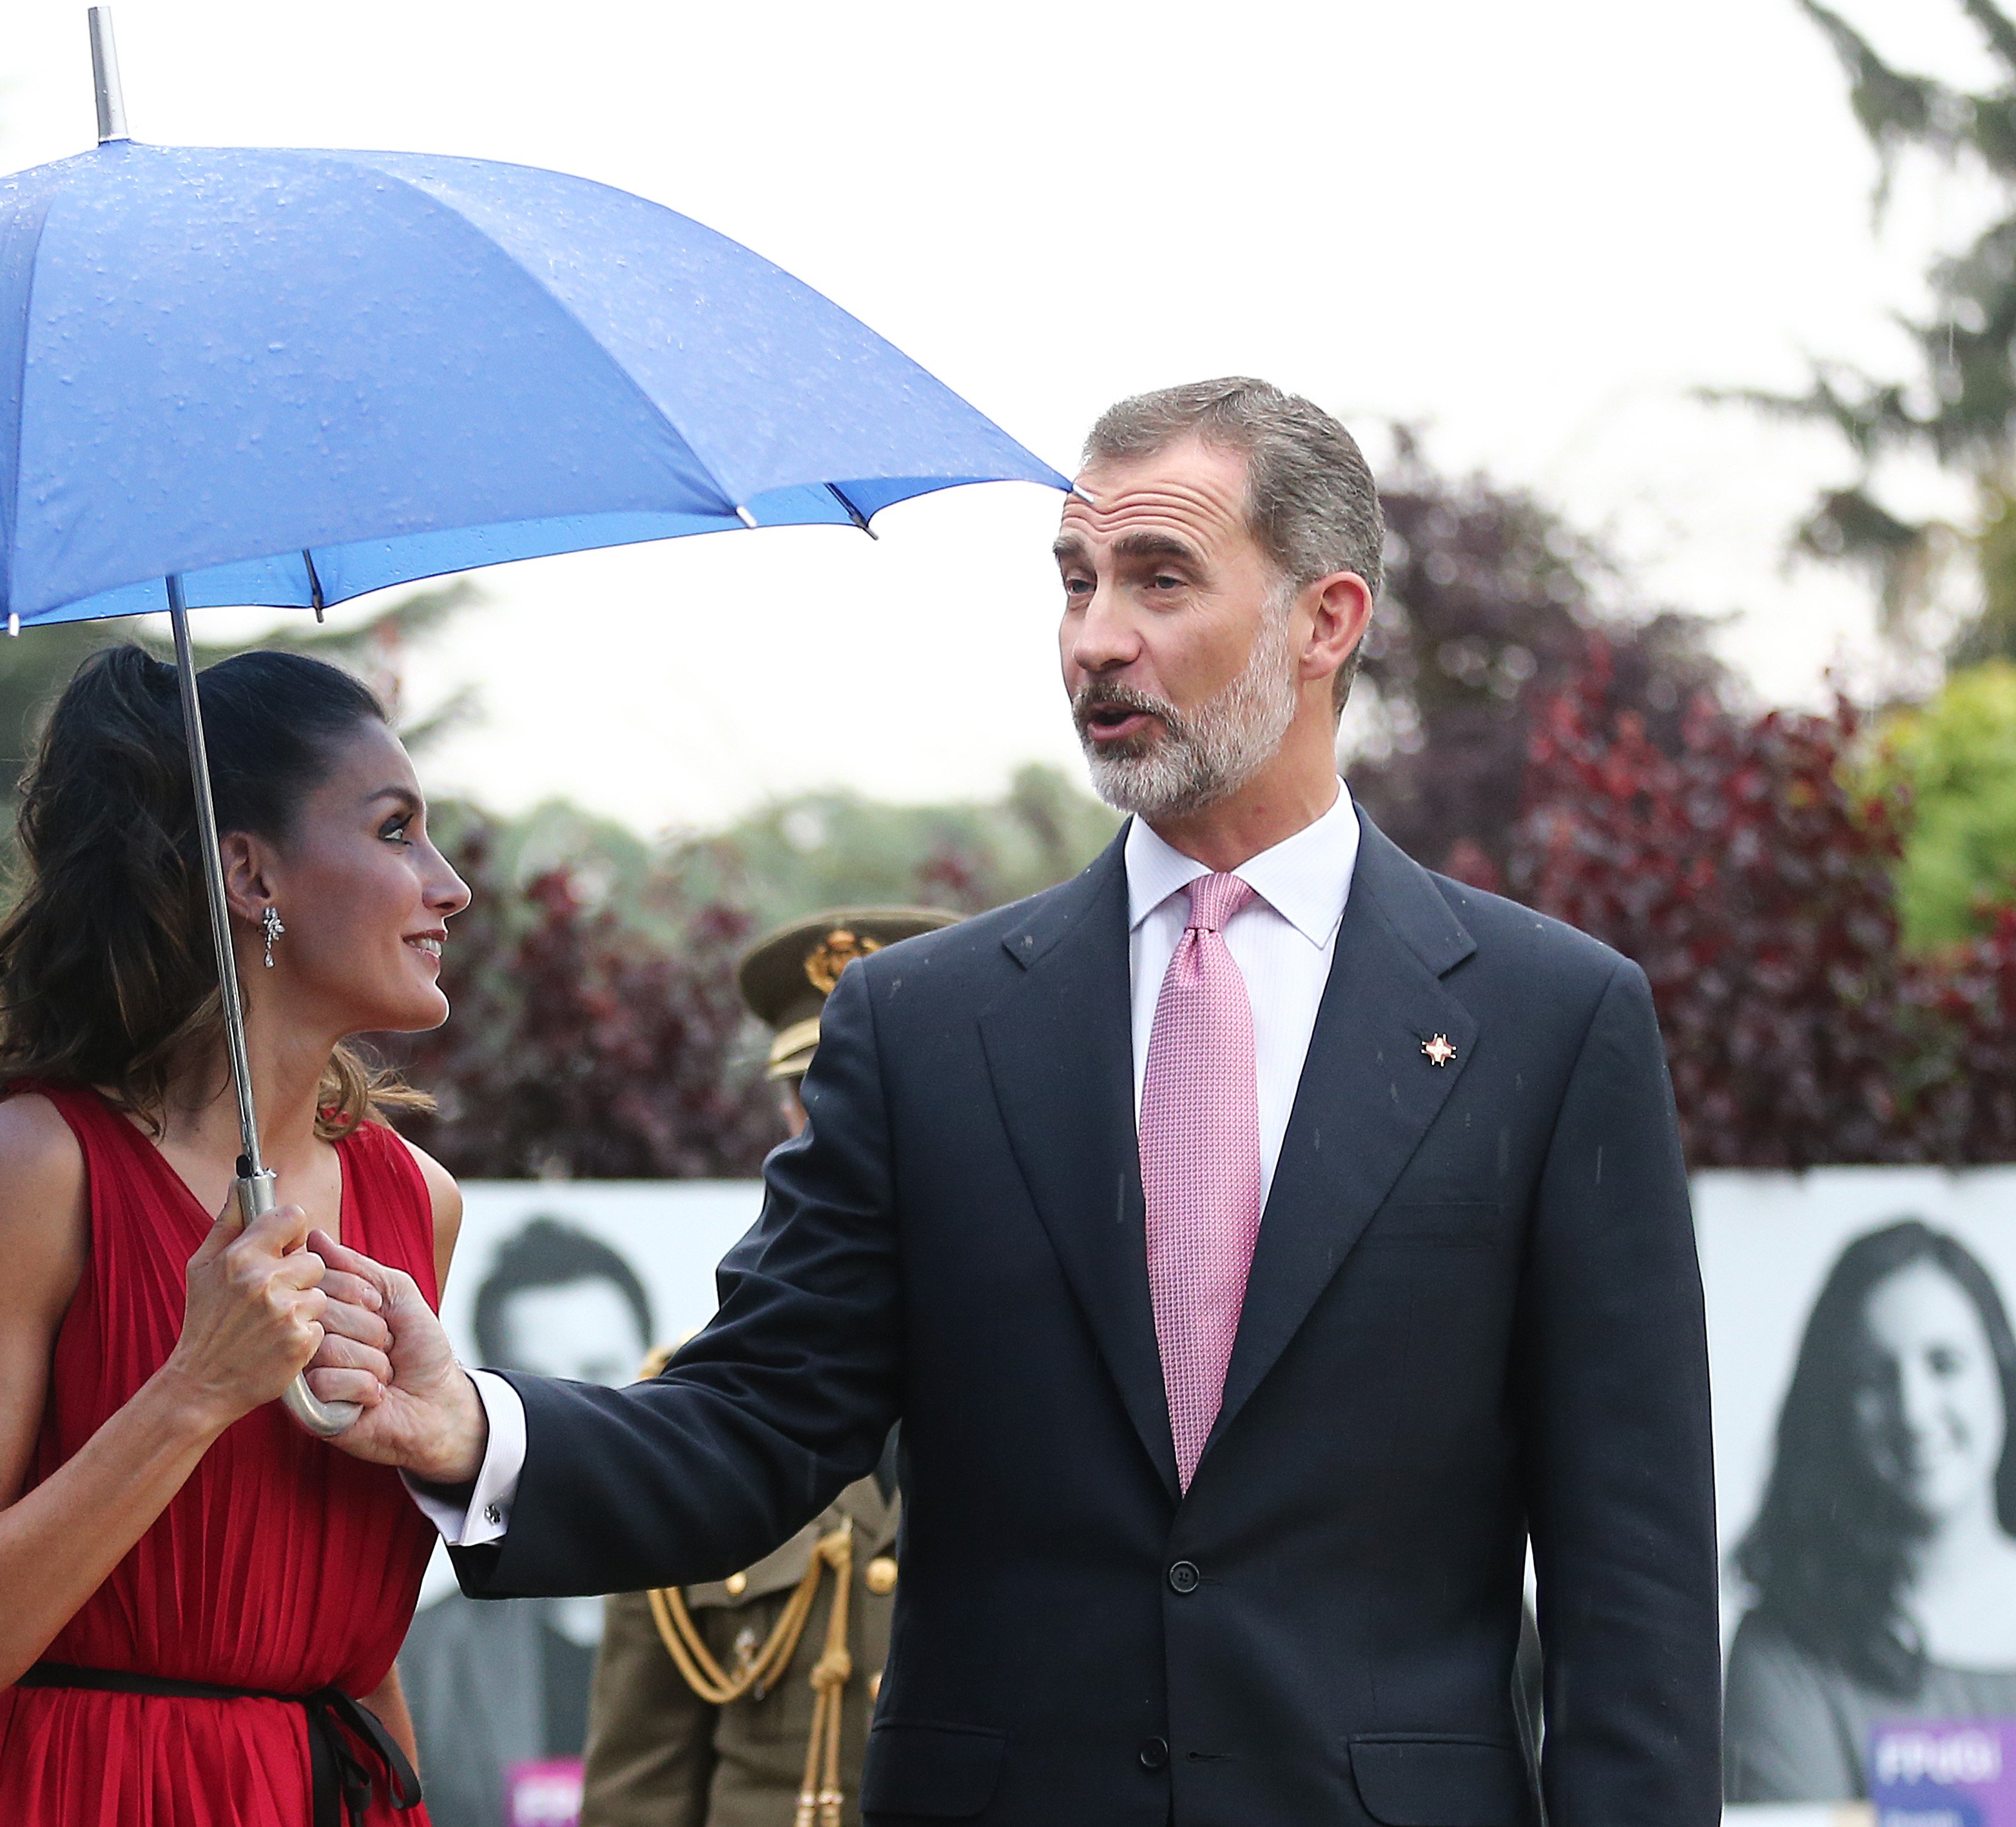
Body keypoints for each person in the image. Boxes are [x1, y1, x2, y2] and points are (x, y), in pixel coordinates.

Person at [311, 378, 1721, 1826]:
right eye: (1073, 582)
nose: (1095, 637)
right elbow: (759, 1423)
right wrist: (471, 1428)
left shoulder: (1549, 1022)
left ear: (1325, 618)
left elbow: (1635, 1578)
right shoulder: (921, 1025)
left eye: (1158, 580)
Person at [0, 644, 472, 1826]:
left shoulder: (419, 1200)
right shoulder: (32, 1169)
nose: (447, 885)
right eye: (396, 830)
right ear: (251, 872)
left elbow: (342, 1641)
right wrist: (193, 1390)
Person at [580, 909, 952, 1827]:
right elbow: (642, 1782)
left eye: (901, 1087)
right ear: (790, 1119)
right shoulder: (700, 1409)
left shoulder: (1070, 1385)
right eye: (817, 1094)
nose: (856, 1123)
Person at [1725, 1219, 2016, 1802]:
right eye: (1875, 1377)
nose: (1913, 1410)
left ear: (2002, 1374)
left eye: (1945, 1364)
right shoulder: (1786, 1652)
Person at [398, 1219, 656, 1827]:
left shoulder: (743, 1628)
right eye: (535, 1384)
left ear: (657, 1375)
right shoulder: (425, 1659)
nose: (573, 1412)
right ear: (485, 1399)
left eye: (602, 1371)